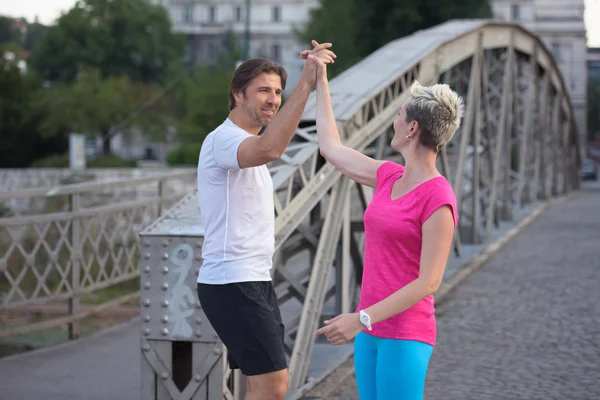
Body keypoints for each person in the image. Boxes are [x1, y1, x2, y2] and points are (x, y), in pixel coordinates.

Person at [308, 41, 464, 400]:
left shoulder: (438, 198)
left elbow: (429, 281)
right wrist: (321, 80)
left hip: (405, 335)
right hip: (370, 333)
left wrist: (360, 318)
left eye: (398, 115)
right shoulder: (388, 176)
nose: (392, 121)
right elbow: (331, 148)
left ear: (411, 129)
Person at [195, 43, 336, 400]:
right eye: (263, 91)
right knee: (273, 385)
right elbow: (271, 149)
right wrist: (306, 83)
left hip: (254, 278)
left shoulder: (244, 141)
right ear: (237, 94)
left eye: (277, 91)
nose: (273, 99)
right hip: (232, 279)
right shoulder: (223, 140)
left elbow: (271, 145)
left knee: (264, 385)